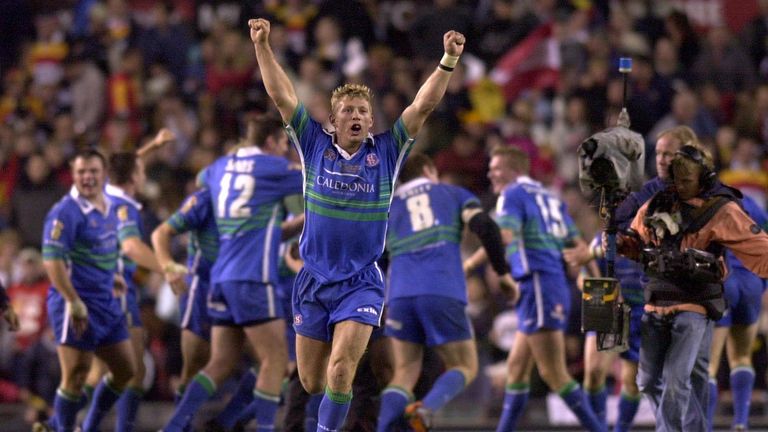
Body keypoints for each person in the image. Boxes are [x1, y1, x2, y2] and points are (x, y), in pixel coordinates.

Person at [249, 16, 466, 432]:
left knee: (341, 371)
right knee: (312, 381)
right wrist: (262, 45)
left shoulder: (387, 152)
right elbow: (281, 95)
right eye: (347, 109)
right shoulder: (313, 145)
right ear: (333, 120)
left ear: (370, 122)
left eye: (363, 111)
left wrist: (448, 60)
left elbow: (422, 106)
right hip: (313, 279)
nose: (356, 115)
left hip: (361, 282)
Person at [161, 115, 303, 432]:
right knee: (276, 359)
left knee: (221, 361)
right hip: (253, 277)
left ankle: (173, 427)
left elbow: (202, 179)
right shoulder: (273, 168)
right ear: (269, 142)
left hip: (221, 276)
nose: (285, 151)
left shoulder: (218, 168)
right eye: (282, 144)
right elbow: (317, 176)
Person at [615, 143, 768, 431]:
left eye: (687, 181)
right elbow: (635, 241)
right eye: (677, 179)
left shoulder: (721, 210)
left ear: (704, 179)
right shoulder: (657, 204)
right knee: (647, 381)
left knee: (676, 381)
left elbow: (760, 248)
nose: (681, 186)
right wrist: (619, 242)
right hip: (656, 301)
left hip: (694, 304)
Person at [562, 125, 697, 431]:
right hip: (612, 286)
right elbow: (611, 232)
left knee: (632, 379)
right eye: (659, 152)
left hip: (648, 295)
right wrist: (593, 255)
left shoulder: (694, 199)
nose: (662, 159)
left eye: (669, 153)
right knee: (594, 371)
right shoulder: (643, 192)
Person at [467, 145, 605, 432]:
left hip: (538, 284)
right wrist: (595, 283)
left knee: (554, 374)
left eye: (497, 169)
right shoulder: (549, 197)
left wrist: (466, 267)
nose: (491, 174)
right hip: (549, 287)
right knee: (516, 369)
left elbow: (503, 236)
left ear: (515, 170)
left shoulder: (512, 194)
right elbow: (576, 242)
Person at [376, 154, 518, 432]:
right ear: (430, 170)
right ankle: (425, 410)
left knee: (404, 373)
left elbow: (378, 259)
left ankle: (379, 427)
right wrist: (502, 273)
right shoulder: (451, 193)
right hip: (441, 289)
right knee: (465, 366)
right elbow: (487, 228)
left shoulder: (388, 209)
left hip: (399, 295)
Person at [36, 149, 136, 432]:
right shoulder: (65, 212)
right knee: (76, 376)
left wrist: (111, 275)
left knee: (125, 370)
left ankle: (86, 426)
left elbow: (100, 246)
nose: (87, 177)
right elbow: (52, 260)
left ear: (103, 173)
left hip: (106, 300)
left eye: (93, 171)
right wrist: (72, 300)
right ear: (73, 173)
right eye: (81, 172)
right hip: (76, 303)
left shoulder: (111, 205)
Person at [706, 194, 768, 431]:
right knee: (742, 357)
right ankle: (741, 422)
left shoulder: (714, 205)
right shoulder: (755, 207)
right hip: (752, 282)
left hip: (725, 281)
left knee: (710, 365)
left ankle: (707, 425)